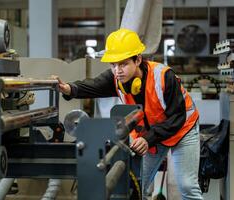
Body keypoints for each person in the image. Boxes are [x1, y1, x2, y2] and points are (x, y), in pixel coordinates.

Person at [54, 28, 203, 200]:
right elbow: (93, 85)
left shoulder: (163, 77)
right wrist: (69, 89)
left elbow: (177, 117)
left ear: (138, 59)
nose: (118, 70)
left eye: (123, 64)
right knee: (137, 184)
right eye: (113, 65)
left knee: (187, 185)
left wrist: (148, 139)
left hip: (183, 130)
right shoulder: (117, 78)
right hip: (153, 135)